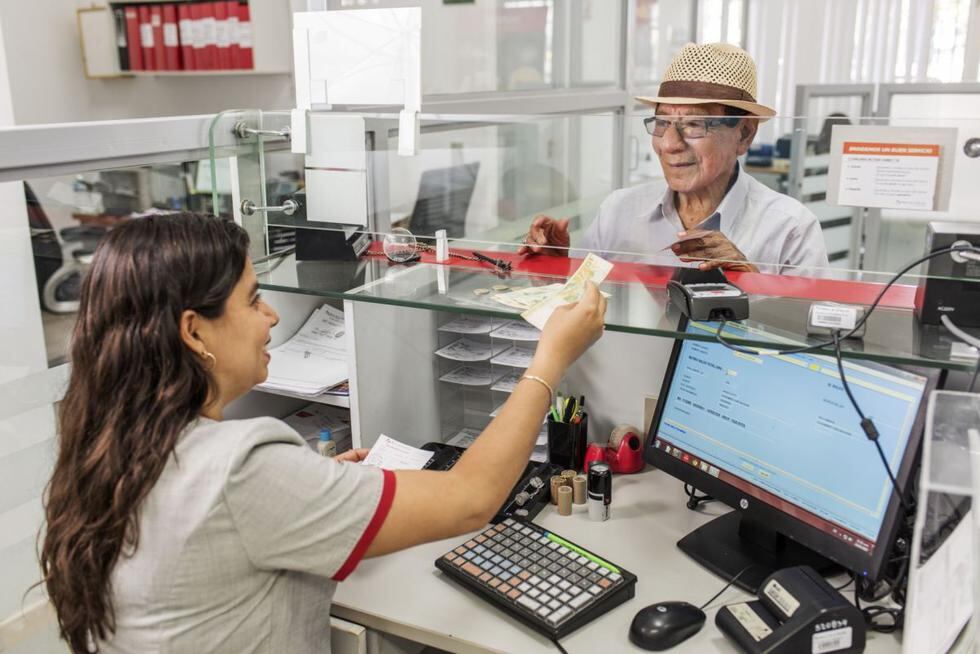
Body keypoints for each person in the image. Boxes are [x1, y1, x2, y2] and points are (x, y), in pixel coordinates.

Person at [39, 212, 606, 654]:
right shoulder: (242, 469)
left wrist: (307, 488)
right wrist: (549, 359)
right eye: (253, 299)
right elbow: (470, 501)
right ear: (194, 331)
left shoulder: (106, 447)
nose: (272, 317)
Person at [519, 42, 829, 276]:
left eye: (695, 124)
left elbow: (812, 345)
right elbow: (578, 309)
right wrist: (555, 268)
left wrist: (748, 282)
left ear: (744, 134)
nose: (668, 145)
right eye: (662, 122)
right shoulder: (618, 211)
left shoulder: (790, 229)